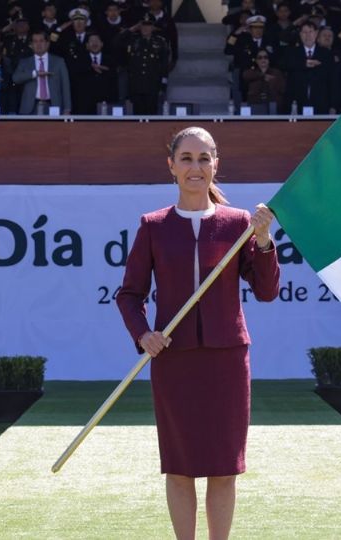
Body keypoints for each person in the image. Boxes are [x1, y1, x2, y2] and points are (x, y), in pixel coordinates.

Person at [116, 127, 279, 540]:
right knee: (180, 466)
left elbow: (266, 291)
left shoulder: (238, 223)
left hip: (227, 359)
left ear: (216, 165)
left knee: (225, 468)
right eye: (186, 158)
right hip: (174, 362)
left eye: (204, 158)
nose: (195, 167)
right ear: (171, 166)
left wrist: (263, 241)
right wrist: (144, 335)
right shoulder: (153, 226)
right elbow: (129, 295)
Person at [12, 28, 71, 114]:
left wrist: (67, 109)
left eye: (41, 41)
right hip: (30, 107)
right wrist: (34, 73)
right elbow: (15, 78)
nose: (38, 44)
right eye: (35, 41)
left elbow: (65, 86)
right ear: (31, 45)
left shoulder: (58, 61)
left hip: (53, 105)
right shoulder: (24, 62)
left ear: (47, 44)